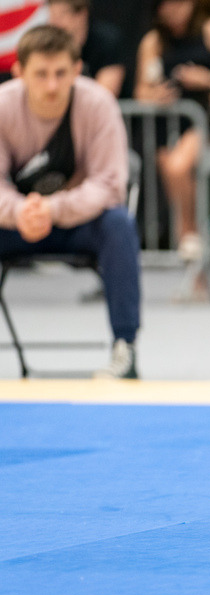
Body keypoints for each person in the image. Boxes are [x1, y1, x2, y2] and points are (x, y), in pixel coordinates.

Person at [0, 26, 140, 378]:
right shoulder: (2, 106)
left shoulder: (98, 104)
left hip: (79, 223)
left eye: (61, 73)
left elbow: (109, 185)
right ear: (18, 72)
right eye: (41, 74)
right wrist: (19, 211)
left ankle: (125, 346)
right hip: (16, 225)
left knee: (119, 224)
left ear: (77, 70)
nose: (51, 85)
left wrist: (53, 209)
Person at [135, 0, 210, 262]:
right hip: (168, 122)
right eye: (167, 5)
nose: (174, 10)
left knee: (178, 166)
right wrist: (155, 95)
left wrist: (206, 79)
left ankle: (190, 234)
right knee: (172, 172)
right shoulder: (154, 40)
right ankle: (190, 244)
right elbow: (141, 90)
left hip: (205, 119)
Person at [45, 0, 127, 97]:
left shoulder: (107, 40)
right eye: (53, 15)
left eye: (62, 15)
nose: (56, 23)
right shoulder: (47, 44)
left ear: (82, 14)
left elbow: (106, 94)